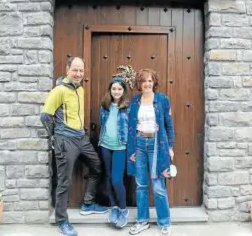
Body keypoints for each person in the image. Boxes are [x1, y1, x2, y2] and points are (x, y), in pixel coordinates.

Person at [40, 56, 107, 236]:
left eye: (81, 70)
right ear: (67, 69)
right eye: (75, 70)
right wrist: (56, 136)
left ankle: (87, 203)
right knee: (64, 181)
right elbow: (45, 116)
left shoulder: (80, 89)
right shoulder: (59, 90)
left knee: (97, 166)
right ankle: (61, 220)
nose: (78, 74)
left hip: (81, 138)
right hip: (65, 140)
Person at [127, 69, 175, 236]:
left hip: (157, 144)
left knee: (158, 185)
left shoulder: (162, 100)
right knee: (141, 185)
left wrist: (170, 147)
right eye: (143, 81)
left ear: (154, 82)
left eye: (150, 80)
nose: (147, 84)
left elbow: (169, 124)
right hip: (139, 143)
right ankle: (142, 221)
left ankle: (165, 222)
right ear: (139, 84)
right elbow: (131, 125)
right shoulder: (135, 101)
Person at [98, 75, 130, 228]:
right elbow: (102, 124)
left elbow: (131, 129)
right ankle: (114, 208)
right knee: (109, 177)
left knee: (117, 179)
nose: (116, 91)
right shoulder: (104, 105)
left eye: (119, 89)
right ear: (110, 90)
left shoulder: (128, 107)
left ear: (123, 91)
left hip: (120, 147)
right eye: (114, 89)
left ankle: (123, 210)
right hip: (105, 145)